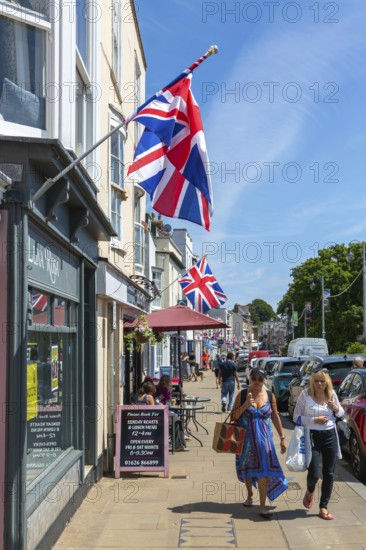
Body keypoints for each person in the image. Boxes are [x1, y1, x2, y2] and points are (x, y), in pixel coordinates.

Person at [231, 366, 288, 518]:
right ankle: (250, 494)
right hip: (245, 441)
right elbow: (233, 417)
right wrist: (245, 406)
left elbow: (275, 417)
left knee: (264, 472)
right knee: (247, 470)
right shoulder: (242, 394)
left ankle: (262, 507)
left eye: (260, 379)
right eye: (254, 378)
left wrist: (282, 438)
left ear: (264, 380)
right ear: (250, 379)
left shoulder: (269, 395)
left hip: (265, 441)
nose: (256, 382)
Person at [293, 367, 345, 520]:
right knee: (315, 473)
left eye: (323, 381)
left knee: (329, 473)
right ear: (312, 381)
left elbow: (341, 413)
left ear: (327, 382)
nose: (320, 384)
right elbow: (296, 417)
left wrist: (335, 408)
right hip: (312, 436)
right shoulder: (305, 394)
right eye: (317, 381)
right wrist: (313, 420)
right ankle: (310, 491)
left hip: (330, 435)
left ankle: (323, 506)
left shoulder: (331, 394)